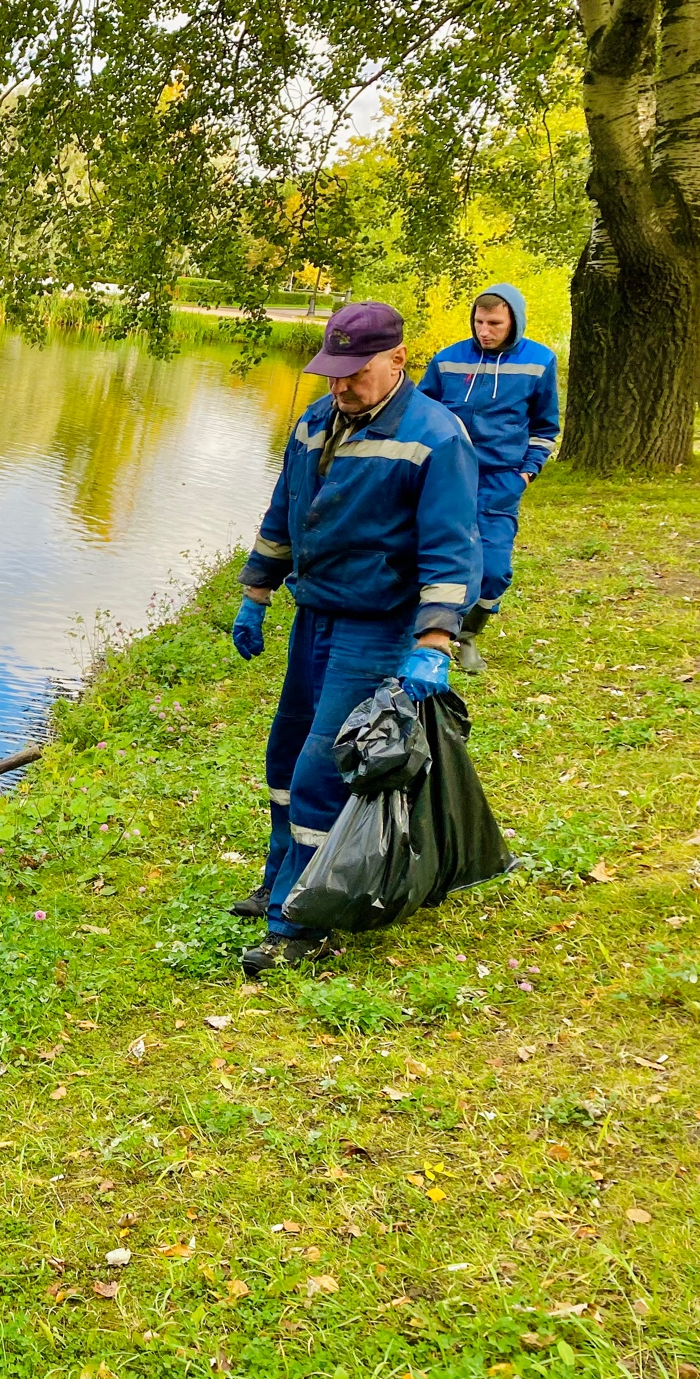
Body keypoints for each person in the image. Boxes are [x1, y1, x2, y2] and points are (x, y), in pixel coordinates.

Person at [227, 302, 480, 975]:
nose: (340, 386)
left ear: (398, 360)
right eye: (332, 373)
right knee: (285, 757)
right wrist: (256, 596)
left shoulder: (436, 438)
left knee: (323, 770)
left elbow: (452, 552)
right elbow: (282, 513)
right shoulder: (316, 422)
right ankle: (278, 880)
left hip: (377, 627)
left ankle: (304, 923)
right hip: (315, 617)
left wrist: (433, 642)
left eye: (354, 373)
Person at [418, 283, 561, 672]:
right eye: (479, 322)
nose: (485, 330)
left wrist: (527, 473)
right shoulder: (447, 361)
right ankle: (424, 635)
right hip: (448, 476)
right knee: (433, 556)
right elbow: (418, 415)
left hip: (501, 480)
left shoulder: (539, 361)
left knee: (494, 569)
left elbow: (546, 428)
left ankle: (467, 636)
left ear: (513, 320)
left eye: (494, 323)